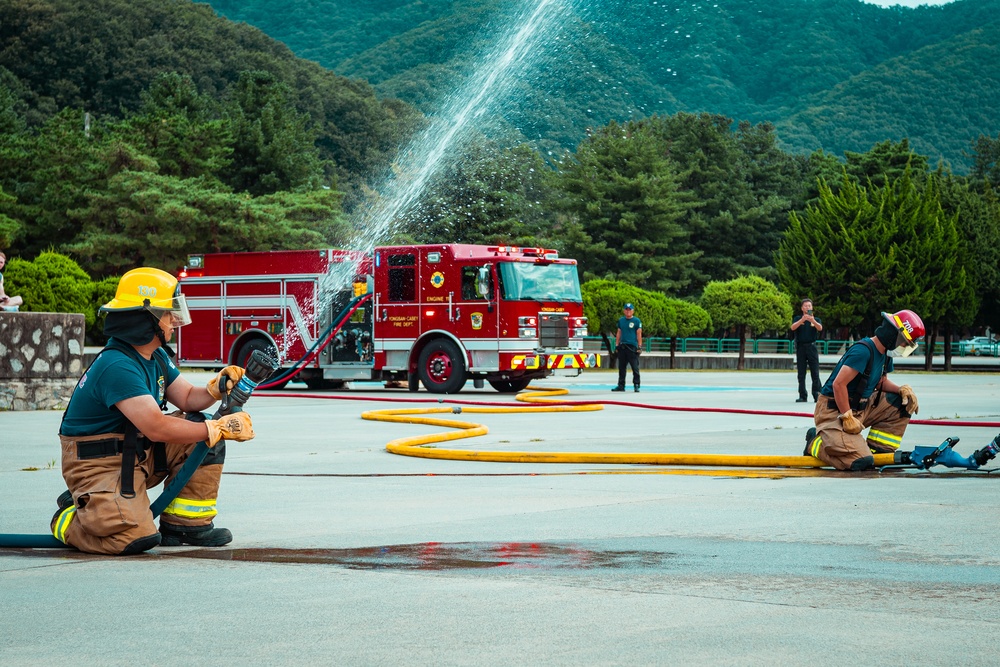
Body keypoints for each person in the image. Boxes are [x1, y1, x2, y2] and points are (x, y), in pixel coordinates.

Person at [51, 267, 255, 555]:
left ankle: (186, 526)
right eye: (168, 312)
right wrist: (216, 428)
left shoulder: (154, 355)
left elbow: (185, 397)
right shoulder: (118, 365)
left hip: (135, 452)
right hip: (98, 465)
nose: (174, 320)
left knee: (202, 434)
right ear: (146, 318)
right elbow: (156, 427)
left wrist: (215, 388)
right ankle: (73, 515)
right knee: (134, 538)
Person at [803, 309, 925, 471]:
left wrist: (901, 389)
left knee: (900, 402)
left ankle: (877, 450)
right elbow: (839, 384)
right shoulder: (863, 351)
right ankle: (815, 443)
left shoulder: (885, 354)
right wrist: (846, 416)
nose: (903, 347)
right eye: (904, 342)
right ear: (893, 334)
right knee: (860, 461)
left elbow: (881, 382)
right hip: (834, 411)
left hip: (860, 407)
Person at [790, 298, 823, 402]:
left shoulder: (816, 319)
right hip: (801, 347)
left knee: (815, 372)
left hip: (812, 347)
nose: (807, 307)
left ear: (812, 307)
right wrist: (802, 320)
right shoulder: (797, 318)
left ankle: (817, 394)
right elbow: (793, 327)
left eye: (809, 306)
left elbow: (820, 328)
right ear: (802, 308)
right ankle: (802, 395)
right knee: (801, 373)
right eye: (805, 306)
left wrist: (812, 320)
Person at [613, 302, 642, 393]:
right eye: (626, 310)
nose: (628, 311)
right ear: (624, 311)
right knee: (621, 367)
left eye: (630, 310)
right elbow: (619, 332)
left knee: (634, 367)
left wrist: (639, 346)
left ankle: (636, 385)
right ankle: (621, 385)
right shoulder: (621, 321)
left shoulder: (636, 321)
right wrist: (616, 344)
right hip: (623, 346)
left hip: (632, 347)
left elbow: (639, 334)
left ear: (633, 311)